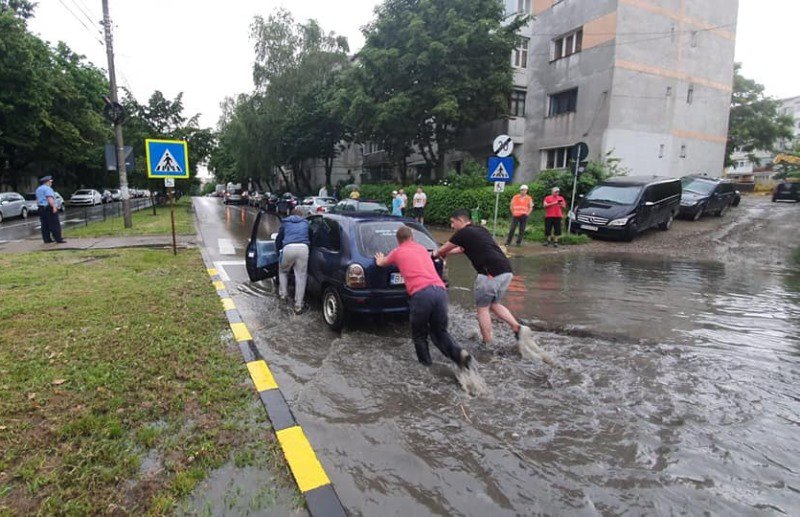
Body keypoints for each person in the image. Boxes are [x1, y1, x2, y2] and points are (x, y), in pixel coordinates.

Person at [374, 226, 471, 369]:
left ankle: (427, 368)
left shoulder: (397, 252)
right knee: (439, 332)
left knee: (419, 335)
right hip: (440, 291)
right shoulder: (421, 249)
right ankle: (459, 354)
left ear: (398, 240)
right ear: (412, 237)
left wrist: (380, 258)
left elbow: (381, 263)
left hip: (421, 295)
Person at [434, 209, 533, 347]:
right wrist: (447, 253)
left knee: (482, 308)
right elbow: (462, 249)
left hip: (489, 273)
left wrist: (434, 254)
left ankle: (487, 343)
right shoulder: (480, 229)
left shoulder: (462, 233)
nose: (452, 226)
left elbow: (442, 250)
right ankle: (517, 328)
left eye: (452, 222)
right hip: (506, 271)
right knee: (494, 304)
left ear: (460, 220)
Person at [275, 208, 310, 314]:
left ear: (290, 215)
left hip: (288, 248)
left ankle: (283, 295)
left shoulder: (285, 223)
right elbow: (311, 236)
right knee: (301, 277)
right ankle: (299, 305)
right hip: (303, 248)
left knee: (283, 271)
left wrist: (277, 250)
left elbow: (279, 238)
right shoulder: (306, 223)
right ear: (301, 216)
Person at [35, 175, 65, 244]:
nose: (51, 183)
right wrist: (54, 207)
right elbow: (50, 198)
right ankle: (58, 239)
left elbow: (37, 199)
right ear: (47, 182)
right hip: (48, 208)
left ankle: (47, 239)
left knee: (45, 225)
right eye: (50, 182)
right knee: (54, 224)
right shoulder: (48, 189)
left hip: (41, 208)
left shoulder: (38, 189)